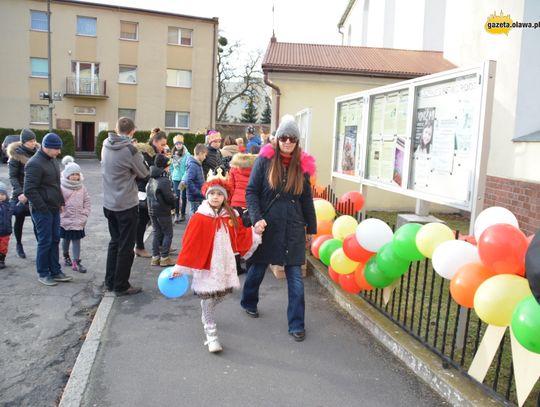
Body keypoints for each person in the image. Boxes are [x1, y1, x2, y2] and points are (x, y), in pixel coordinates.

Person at [241, 115, 317, 342]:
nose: (287, 141)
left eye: (291, 138)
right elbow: (251, 192)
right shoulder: (264, 161)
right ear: (276, 138)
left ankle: (296, 324)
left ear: (297, 141)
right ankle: (248, 301)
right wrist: (256, 219)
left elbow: (306, 200)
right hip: (268, 226)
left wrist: (311, 228)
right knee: (256, 269)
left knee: (295, 278)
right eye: (283, 137)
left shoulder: (302, 167)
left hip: (292, 228)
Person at [171, 175, 262, 353]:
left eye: (219, 194)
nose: (215, 197)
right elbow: (189, 243)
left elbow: (241, 234)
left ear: (225, 197)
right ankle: (211, 336)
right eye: (212, 193)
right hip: (206, 265)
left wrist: (255, 232)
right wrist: (180, 266)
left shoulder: (231, 216)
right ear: (207, 195)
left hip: (225, 264)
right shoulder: (199, 217)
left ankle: (207, 311)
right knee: (207, 298)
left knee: (220, 295)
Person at [101, 117, 149, 296]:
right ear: (132, 132)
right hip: (126, 204)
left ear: (116, 128)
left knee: (114, 242)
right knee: (126, 246)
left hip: (109, 202)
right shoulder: (130, 149)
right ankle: (121, 285)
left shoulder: (106, 144)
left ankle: (110, 281)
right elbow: (144, 172)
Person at [24, 132, 73, 286]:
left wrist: (61, 202)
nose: (59, 152)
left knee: (55, 239)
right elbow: (29, 190)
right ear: (46, 147)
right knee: (45, 241)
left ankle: (55, 271)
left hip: (53, 207)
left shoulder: (52, 160)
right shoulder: (34, 163)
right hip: (42, 210)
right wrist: (43, 208)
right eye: (56, 149)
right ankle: (43, 273)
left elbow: (56, 185)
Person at [134, 128, 168, 258]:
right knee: (142, 220)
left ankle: (160, 244)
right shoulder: (145, 154)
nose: (164, 147)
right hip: (143, 190)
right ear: (154, 141)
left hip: (151, 189)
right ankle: (139, 247)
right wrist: (162, 168)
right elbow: (147, 173)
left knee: (153, 219)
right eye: (162, 144)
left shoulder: (154, 153)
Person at [7, 128, 38, 259]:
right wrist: (20, 193)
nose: (34, 143)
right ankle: (19, 244)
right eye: (30, 141)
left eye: (34, 140)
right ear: (24, 142)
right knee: (19, 217)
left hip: (34, 193)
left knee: (37, 220)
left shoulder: (38, 153)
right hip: (20, 194)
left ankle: (40, 245)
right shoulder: (16, 155)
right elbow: (13, 177)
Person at [60, 156, 91, 273]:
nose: (75, 177)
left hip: (79, 219)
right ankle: (66, 255)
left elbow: (87, 201)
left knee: (76, 240)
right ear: (67, 175)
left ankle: (76, 262)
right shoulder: (61, 187)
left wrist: (85, 213)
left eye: (77, 174)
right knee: (66, 239)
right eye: (72, 174)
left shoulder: (82, 187)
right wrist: (62, 214)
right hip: (66, 219)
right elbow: (58, 202)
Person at [229, 152, 257, 275]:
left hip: (236, 206)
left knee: (236, 236)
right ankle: (252, 263)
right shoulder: (257, 170)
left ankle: (236, 266)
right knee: (250, 235)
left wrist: (228, 205)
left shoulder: (234, 170)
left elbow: (230, 187)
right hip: (250, 205)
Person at [147, 154, 176, 267]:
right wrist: (174, 202)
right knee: (168, 233)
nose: (169, 168)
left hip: (152, 209)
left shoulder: (151, 178)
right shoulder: (164, 180)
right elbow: (169, 197)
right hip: (163, 210)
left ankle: (155, 257)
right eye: (168, 166)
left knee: (156, 232)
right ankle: (164, 257)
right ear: (164, 167)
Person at [170, 135, 190, 223]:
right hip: (175, 178)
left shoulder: (187, 154)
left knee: (184, 196)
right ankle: (177, 214)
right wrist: (171, 174)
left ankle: (182, 213)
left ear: (182, 144)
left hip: (183, 178)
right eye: (177, 144)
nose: (178, 145)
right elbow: (170, 166)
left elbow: (187, 167)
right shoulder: (173, 154)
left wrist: (184, 178)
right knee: (176, 196)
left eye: (180, 143)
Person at [185, 143, 207, 214]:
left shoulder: (197, 164)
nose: (205, 157)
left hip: (197, 196)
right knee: (194, 215)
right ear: (200, 153)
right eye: (205, 155)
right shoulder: (193, 165)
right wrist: (198, 192)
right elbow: (188, 181)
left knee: (196, 214)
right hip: (195, 197)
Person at [0, 182, 13, 269]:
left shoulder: (8, 205)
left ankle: (1, 260)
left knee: (3, 247)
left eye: (3, 194)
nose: (1, 196)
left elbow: (15, 210)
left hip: (5, 231)